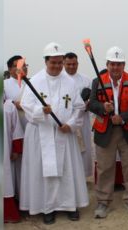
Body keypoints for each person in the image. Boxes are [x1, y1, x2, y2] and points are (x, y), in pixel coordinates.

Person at [19, 42, 89, 224]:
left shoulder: (70, 82)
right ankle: (46, 208)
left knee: (67, 170)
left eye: (60, 63)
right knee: (45, 172)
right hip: (41, 134)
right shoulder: (34, 81)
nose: (57, 66)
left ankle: (69, 205)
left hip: (64, 134)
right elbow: (26, 105)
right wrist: (41, 111)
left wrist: (71, 124)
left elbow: (79, 107)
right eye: (53, 63)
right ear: (46, 61)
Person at [89, 46, 128, 218]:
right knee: (104, 167)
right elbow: (92, 103)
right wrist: (103, 108)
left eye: (119, 64)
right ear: (107, 64)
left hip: (127, 129)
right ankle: (103, 202)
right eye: (112, 64)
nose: (115, 68)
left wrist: (124, 117)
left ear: (124, 65)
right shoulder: (97, 81)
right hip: (105, 131)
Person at [63, 52, 94, 178]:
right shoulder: (60, 80)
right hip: (65, 121)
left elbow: (93, 98)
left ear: (77, 64)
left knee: (84, 148)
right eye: (68, 64)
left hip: (83, 120)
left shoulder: (86, 80)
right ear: (64, 63)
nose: (71, 67)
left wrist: (88, 104)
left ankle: (82, 176)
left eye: (74, 64)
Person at [3, 55, 28, 201]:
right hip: (12, 132)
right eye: (18, 65)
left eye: (25, 65)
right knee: (15, 166)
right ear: (10, 68)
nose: (23, 68)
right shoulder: (4, 84)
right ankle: (16, 197)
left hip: (30, 128)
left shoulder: (31, 84)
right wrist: (13, 102)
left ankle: (28, 197)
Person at [3, 99, 24, 223]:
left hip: (5, 150)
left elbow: (16, 129)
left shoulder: (9, 107)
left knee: (5, 180)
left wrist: (16, 149)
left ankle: (8, 213)